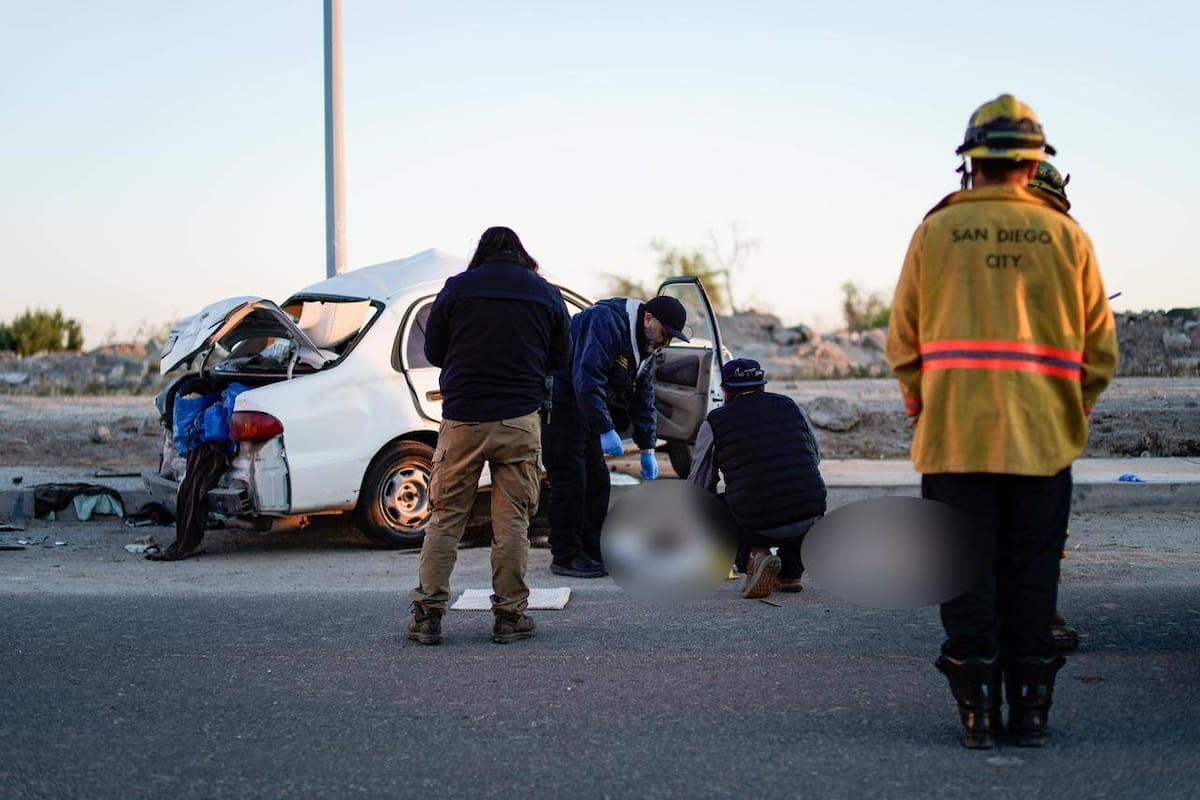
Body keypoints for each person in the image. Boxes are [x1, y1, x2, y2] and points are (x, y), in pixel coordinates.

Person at [886, 94, 1118, 748]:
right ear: (1033, 163)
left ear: (971, 164)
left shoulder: (935, 232)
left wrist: (923, 411)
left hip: (952, 440)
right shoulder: (1068, 236)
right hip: (1042, 443)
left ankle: (976, 715)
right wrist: (1067, 413)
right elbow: (1100, 352)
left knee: (964, 575)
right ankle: (1032, 715)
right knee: (1032, 574)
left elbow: (902, 342)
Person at [408, 227, 570, 645]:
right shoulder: (545, 293)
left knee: (445, 519)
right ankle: (510, 618)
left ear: (480, 253)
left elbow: (435, 352)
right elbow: (561, 358)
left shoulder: (457, 289)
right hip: (519, 420)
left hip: (463, 419)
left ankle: (428, 618)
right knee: (512, 523)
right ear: (522, 254)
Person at [542, 294, 688, 578]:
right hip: (563, 400)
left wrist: (647, 447)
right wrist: (605, 428)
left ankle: (593, 547)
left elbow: (643, 394)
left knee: (597, 479)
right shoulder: (606, 321)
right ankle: (566, 555)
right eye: (665, 333)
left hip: (587, 405)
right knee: (571, 479)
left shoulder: (646, 343)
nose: (666, 341)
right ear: (648, 319)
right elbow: (587, 377)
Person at [687, 358, 826, 599]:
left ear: (725, 391)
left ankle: (753, 557)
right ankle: (791, 571)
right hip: (809, 512)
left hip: (757, 520)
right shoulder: (790, 406)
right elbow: (814, 457)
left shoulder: (715, 421)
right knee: (797, 499)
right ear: (762, 385)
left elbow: (699, 484)